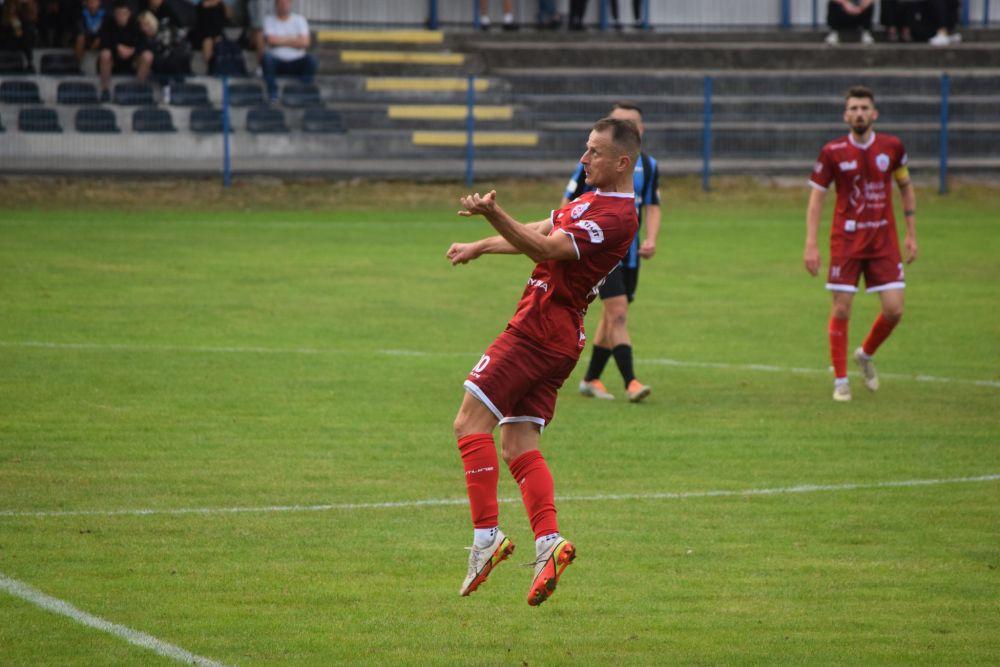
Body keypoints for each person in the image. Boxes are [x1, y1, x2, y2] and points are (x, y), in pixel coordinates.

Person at [447, 117, 640, 606]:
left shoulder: (617, 217)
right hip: (558, 335)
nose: (583, 159)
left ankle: (486, 538)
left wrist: (493, 215)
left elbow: (547, 247)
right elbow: (535, 229)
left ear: (622, 162)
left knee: (469, 424)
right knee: (517, 443)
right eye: (585, 149)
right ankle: (548, 542)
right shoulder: (591, 201)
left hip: (539, 329)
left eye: (594, 152)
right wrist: (481, 246)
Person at [804, 85, 917, 402]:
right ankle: (841, 380)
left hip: (883, 241)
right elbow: (816, 199)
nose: (859, 113)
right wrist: (811, 244)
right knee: (841, 307)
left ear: (874, 113)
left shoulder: (892, 148)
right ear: (845, 115)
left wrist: (911, 232)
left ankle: (865, 354)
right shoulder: (833, 152)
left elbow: (906, 187)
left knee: (894, 310)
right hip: (847, 241)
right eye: (853, 108)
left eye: (864, 108)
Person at [565, 102, 660, 403]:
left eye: (631, 122)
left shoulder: (649, 165)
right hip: (602, 250)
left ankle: (591, 378)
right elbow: (567, 202)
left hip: (630, 253)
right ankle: (630, 381)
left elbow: (653, 205)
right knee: (617, 313)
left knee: (612, 317)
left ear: (640, 130)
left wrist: (652, 238)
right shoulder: (593, 163)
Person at [261, 0, 315, 103]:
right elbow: (271, 41)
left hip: (297, 62)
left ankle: (302, 93)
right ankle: (273, 94)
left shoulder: (300, 19)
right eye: (281, 3)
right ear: (276, 5)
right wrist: (294, 39)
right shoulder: (268, 19)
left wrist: (280, 40)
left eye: (287, 3)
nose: (284, 6)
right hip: (277, 62)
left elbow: (305, 42)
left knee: (311, 60)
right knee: (266, 58)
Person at [98, 0, 153, 101]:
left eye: (124, 14)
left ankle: (139, 89)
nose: (121, 17)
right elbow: (103, 42)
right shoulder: (108, 24)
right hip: (114, 60)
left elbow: (145, 43)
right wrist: (117, 47)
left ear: (129, 14)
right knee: (104, 54)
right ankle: (105, 90)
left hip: (132, 60)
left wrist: (132, 50)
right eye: (118, 14)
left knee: (148, 56)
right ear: (114, 14)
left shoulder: (135, 24)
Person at [137, 9, 189, 98]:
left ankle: (178, 88)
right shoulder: (142, 38)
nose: (144, 28)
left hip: (169, 62)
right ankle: (143, 90)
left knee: (172, 61)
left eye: (146, 24)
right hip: (157, 65)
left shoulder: (163, 31)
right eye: (142, 25)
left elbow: (170, 47)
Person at [0, 0, 38, 70]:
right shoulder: (8, 7)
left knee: (26, 33)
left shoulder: (27, 9)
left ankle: (29, 62)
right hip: (8, 38)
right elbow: (7, 20)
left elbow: (32, 17)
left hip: (20, 39)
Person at [188, 0, 227, 68]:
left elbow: (227, 16)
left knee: (217, 39)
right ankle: (211, 67)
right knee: (207, 39)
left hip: (216, 32)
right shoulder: (199, 6)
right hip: (200, 32)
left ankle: (219, 66)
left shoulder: (220, 6)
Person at [74, 0, 105, 65]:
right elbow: (80, 29)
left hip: (100, 39)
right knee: (80, 38)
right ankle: (79, 62)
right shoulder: (81, 14)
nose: (92, 4)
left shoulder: (104, 15)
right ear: (86, 3)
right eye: (90, 2)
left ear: (99, 3)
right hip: (87, 37)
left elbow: (106, 30)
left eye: (94, 2)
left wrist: (99, 37)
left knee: (103, 39)